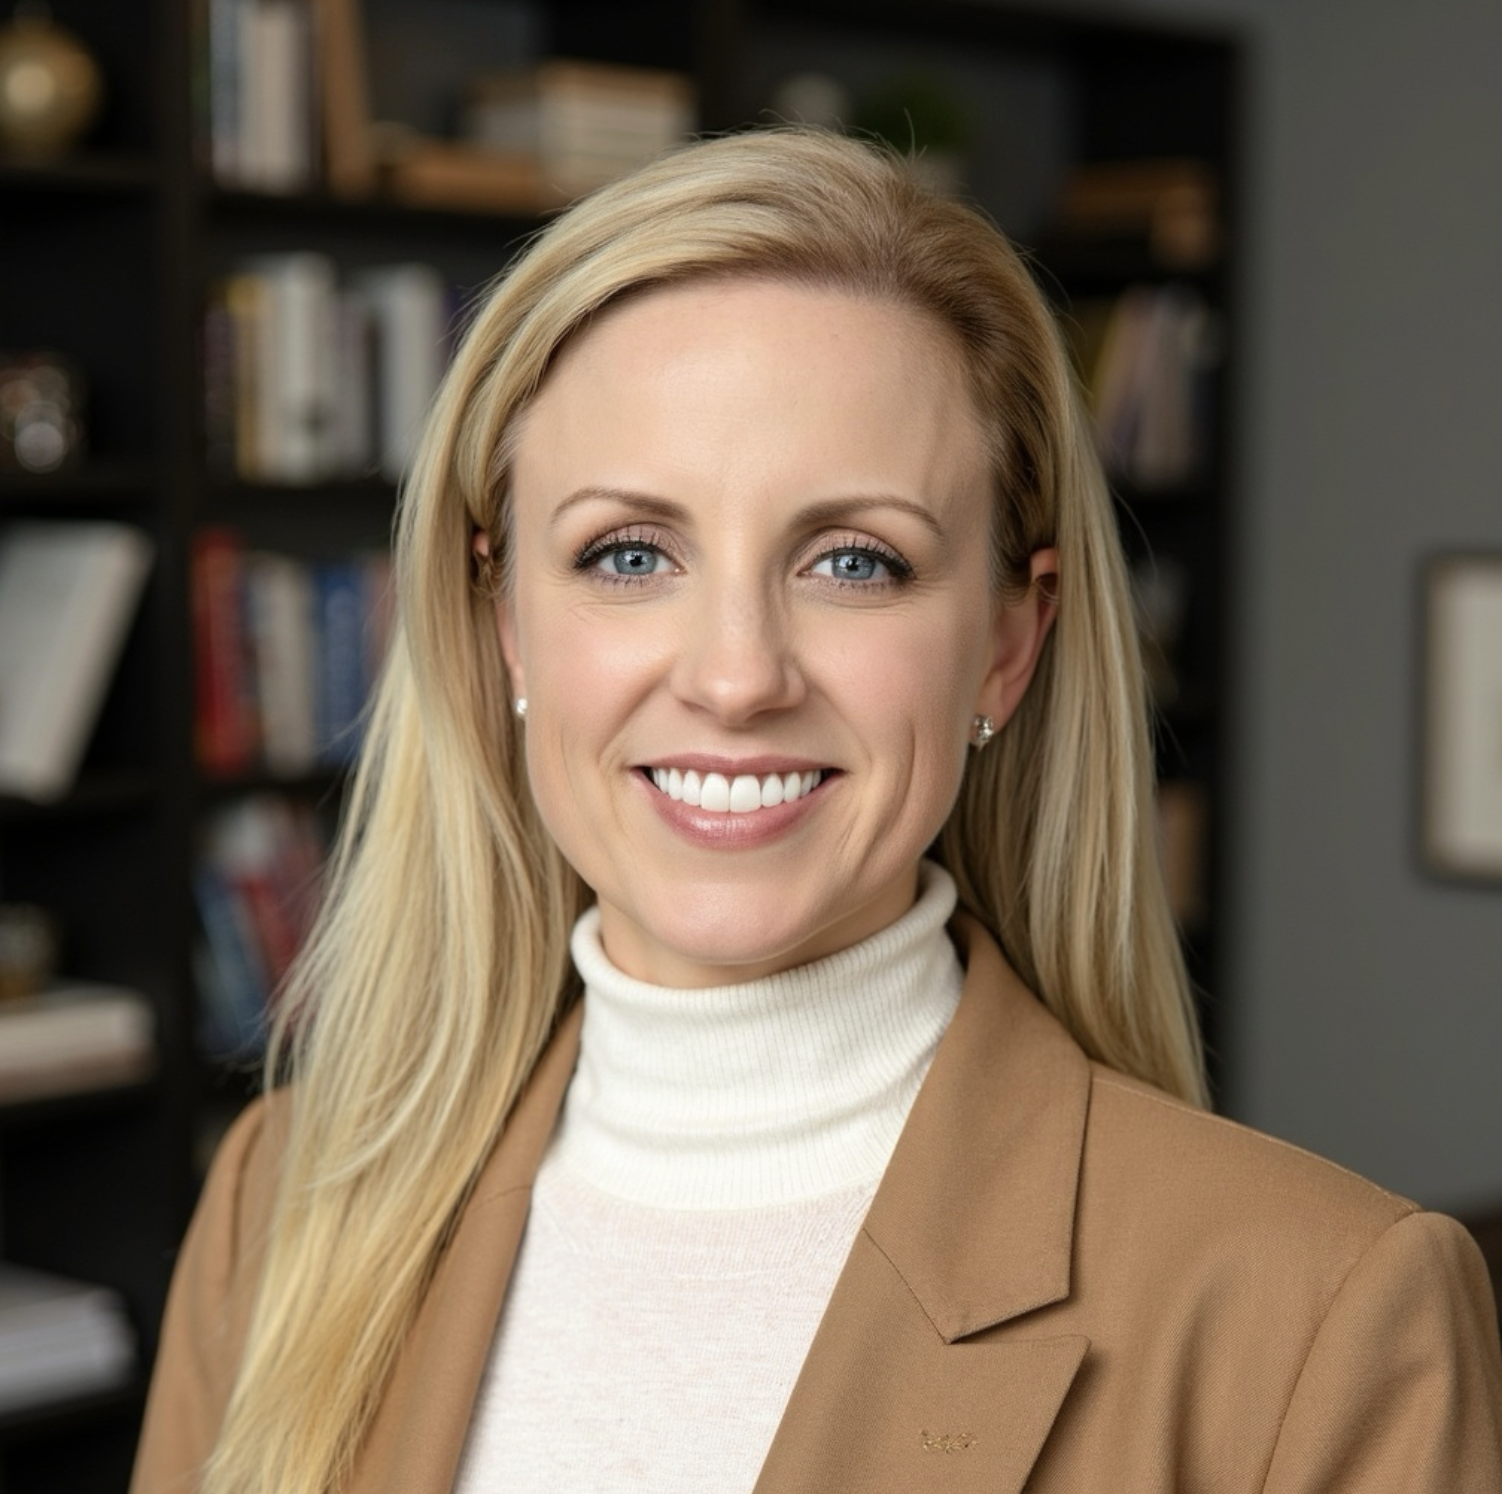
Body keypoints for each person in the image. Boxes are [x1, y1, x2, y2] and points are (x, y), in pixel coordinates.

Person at [131, 129, 1502, 1494]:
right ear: (504, 622)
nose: (737, 678)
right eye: (629, 554)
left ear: (1007, 643)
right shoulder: (280, 1202)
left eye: (854, 561)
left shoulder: (1318, 1316)